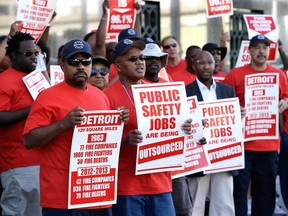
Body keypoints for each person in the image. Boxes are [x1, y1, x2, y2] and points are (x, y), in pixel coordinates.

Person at [23, 39, 129, 216]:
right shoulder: (47, 96)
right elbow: (29, 140)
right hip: (62, 198)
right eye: (74, 62)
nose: (81, 67)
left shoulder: (100, 95)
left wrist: (117, 122)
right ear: (62, 65)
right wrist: (63, 124)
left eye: (86, 62)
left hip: (97, 193)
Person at [104, 38, 192, 216]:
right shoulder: (106, 97)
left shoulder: (162, 91)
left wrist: (186, 127)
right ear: (118, 67)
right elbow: (98, 144)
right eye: (133, 59)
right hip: (128, 185)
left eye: (141, 58)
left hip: (161, 182)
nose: (140, 62)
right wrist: (123, 140)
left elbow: (176, 126)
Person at [224, 34, 288, 216]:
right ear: (249, 50)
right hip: (241, 145)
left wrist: (285, 102)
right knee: (239, 191)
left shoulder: (278, 74)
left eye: (265, 47)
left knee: (266, 192)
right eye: (257, 47)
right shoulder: (235, 74)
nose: (261, 51)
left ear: (269, 51)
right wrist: (236, 108)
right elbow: (222, 102)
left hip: (268, 145)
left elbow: (286, 96)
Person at [183, 50, 238, 216]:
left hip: (224, 155)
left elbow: (233, 122)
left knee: (225, 206)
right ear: (194, 66)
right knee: (195, 206)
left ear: (215, 65)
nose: (206, 66)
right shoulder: (185, 92)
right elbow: (182, 124)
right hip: (198, 154)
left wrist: (238, 116)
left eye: (209, 62)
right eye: (201, 63)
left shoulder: (227, 90)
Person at [0, 32, 41, 215]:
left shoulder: (36, 78)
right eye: (28, 54)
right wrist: (31, 109)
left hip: (41, 159)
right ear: (14, 56)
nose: (33, 57)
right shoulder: (4, 81)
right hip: (17, 162)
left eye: (35, 53)